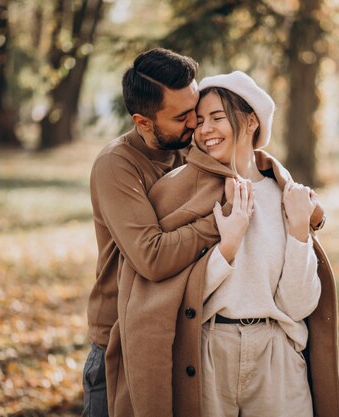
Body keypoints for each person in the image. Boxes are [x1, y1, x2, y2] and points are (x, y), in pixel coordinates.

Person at [142, 71, 339, 417]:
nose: (205, 130)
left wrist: (298, 231)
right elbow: (174, 295)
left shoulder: (287, 197)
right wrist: (228, 246)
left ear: (251, 121)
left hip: (276, 355)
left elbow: (297, 307)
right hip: (208, 352)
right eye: (200, 121)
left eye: (218, 118)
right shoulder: (181, 192)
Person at [82, 48, 226, 417]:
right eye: (181, 117)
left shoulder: (193, 148)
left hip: (181, 333)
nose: (196, 123)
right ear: (143, 122)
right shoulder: (117, 165)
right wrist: (222, 221)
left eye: (195, 109)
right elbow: (153, 257)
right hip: (122, 340)